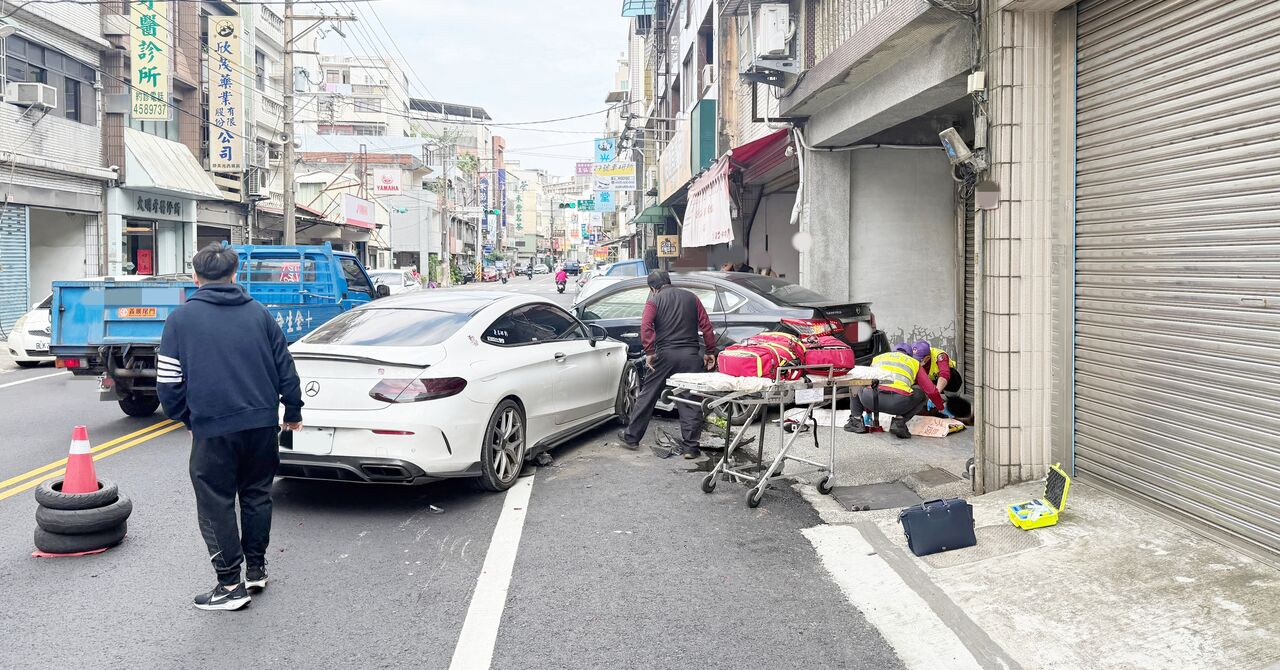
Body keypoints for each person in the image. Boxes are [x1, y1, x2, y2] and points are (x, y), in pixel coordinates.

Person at [157, 243, 303, 611]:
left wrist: (186, 418)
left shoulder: (180, 320)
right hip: (261, 424)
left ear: (196, 277)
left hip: (213, 428)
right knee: (256, 495)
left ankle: (229, 585)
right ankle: (255, 570)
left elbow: (168, 382)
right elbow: (286, 366)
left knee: (215, 503)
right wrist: (293, 411)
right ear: (235, 275)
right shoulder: (259, 314)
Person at [619, 270, 717, 458]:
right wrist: (710, 351)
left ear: (652, 288)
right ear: (669, 282)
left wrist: (649, 351)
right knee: (690, 399)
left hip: (664, 356)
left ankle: (632, 437)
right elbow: (706, 326)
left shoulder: (654, 301)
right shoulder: (692, 297)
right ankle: (691, 448)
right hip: (690, 355)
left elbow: (646, 326)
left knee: (648, 395)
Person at [844, 343, 945, 439]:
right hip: (898, 404)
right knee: (921, 394)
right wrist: (940, 407)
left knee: (856, 383)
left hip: (871, 400)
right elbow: (931, 391)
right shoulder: (913, 362)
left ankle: (856, 420)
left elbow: (868, 381)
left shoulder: (878, 358)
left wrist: (869, 411)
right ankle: (899, 422)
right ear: (909, 355)